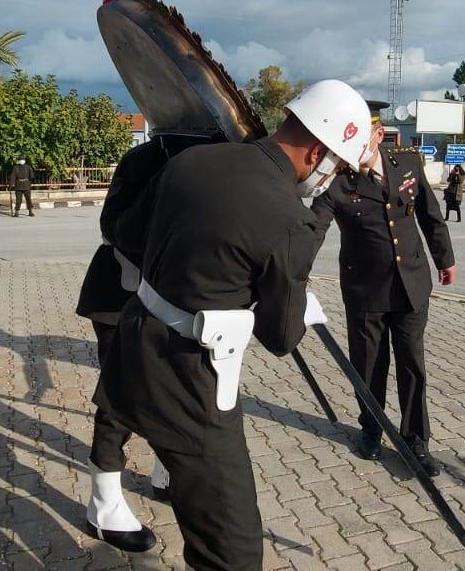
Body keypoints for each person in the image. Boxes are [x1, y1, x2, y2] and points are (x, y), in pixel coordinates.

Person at [95, 80, 372, 570]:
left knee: (189, 491)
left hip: (133, 347)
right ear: (316, 153)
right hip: (189, 383)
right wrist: (292, 297)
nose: (332, 181)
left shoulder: (192, 161)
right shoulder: (293, 222)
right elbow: (281, 337)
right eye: (336, 169)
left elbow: (129, 235)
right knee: (233, 550)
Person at [77, 134, 217, 554]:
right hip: (122, 295)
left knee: (175, 392)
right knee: (123, 398)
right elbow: (114, 227)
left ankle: (165, 475)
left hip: (178, 300)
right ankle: (102, 503)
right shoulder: (145, 158)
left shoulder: (211, 156)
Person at [310, 107, 456, 478]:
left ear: (377, 136)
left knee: (412, 365)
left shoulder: (405, 162)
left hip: (411, 284)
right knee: (369, 365)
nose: (353, 150)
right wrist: (295, 272)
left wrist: (445, 258)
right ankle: (371, 429)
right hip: (365, 290)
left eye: (361, 140)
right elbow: (314, 229)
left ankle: (415, 440)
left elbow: (428, 212)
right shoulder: (336, 180)